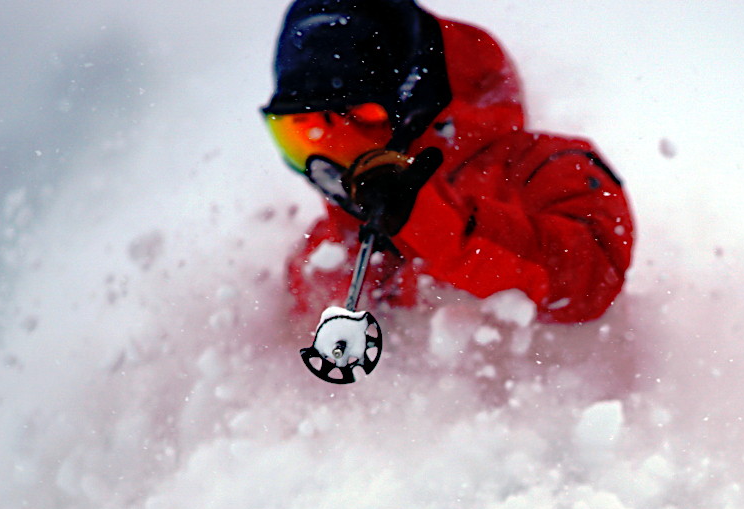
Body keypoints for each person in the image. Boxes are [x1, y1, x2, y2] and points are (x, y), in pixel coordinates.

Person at [263, 0, 635, 325]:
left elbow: (590, 281)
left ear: (413, 111)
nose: (328, 163)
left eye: (359, 125)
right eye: (300, 134)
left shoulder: (549, 170)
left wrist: (428, 219)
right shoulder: (323, 254)